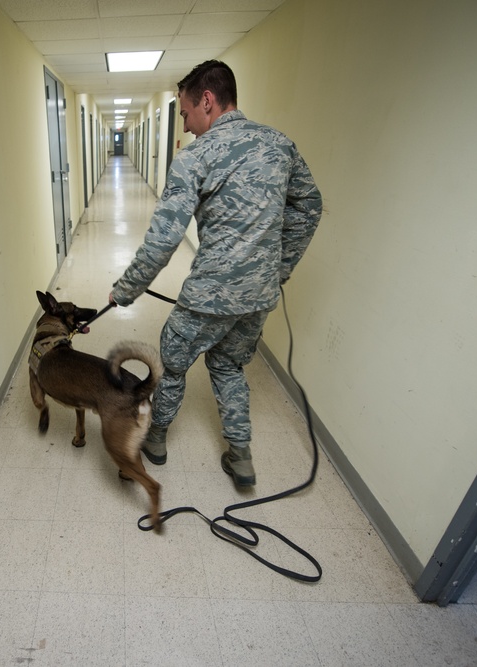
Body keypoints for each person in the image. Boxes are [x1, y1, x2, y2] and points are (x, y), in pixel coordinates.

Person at [110, 60, 323, 487]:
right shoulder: (280, 145)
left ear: (206, 100)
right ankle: (240, 456)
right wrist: (277, 269)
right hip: (259, 295)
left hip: (209, 294)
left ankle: (155, 442)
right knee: (228, 367)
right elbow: (310, 207)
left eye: (186, 112)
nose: (185, 126)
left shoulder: (196, 157)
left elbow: (163, 239)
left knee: (172, 364)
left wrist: (126, 290)